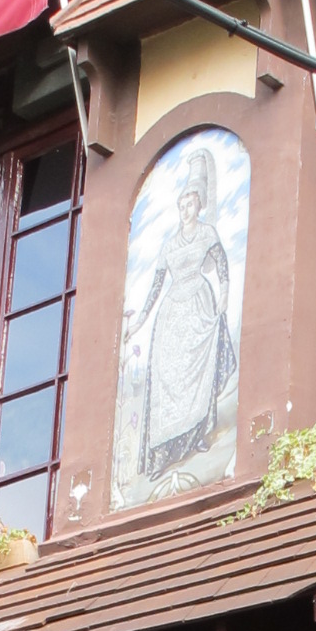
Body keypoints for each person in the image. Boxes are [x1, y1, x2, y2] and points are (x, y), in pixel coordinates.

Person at [127, 146, 236, 483]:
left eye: (191, 203)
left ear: (199, 204)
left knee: (197, 374)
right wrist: (138, 323)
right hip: (171, 315)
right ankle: (164, 451)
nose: (186, 208)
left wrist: (224, 298)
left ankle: (198, 434)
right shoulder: (170, 245)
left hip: (199, 305)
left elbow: (222, 267)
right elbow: (156, 287)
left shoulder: (207, 234)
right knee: (166, 380)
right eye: (182, 204)